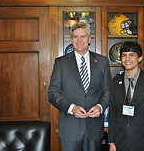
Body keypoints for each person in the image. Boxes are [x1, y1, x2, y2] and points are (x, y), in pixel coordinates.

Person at [48, 21, 111, 151]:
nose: (79, 40)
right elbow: (52, 93)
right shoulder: (61, 63)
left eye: (83, 36)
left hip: (94, 128)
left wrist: (100, 107)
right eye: (76, 37)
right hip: (70, 128)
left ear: (89, 39)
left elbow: (108, 90)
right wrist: (72, 108)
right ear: (71, 40)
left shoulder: (102, 61)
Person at [108, 41, 144, 151]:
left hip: (142, 143)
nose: (127, 59)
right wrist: (111, 142)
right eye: (124, 55)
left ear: (140, 58)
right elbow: (112, 114)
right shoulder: (115, 82)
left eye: (131, 55)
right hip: (119, 142)